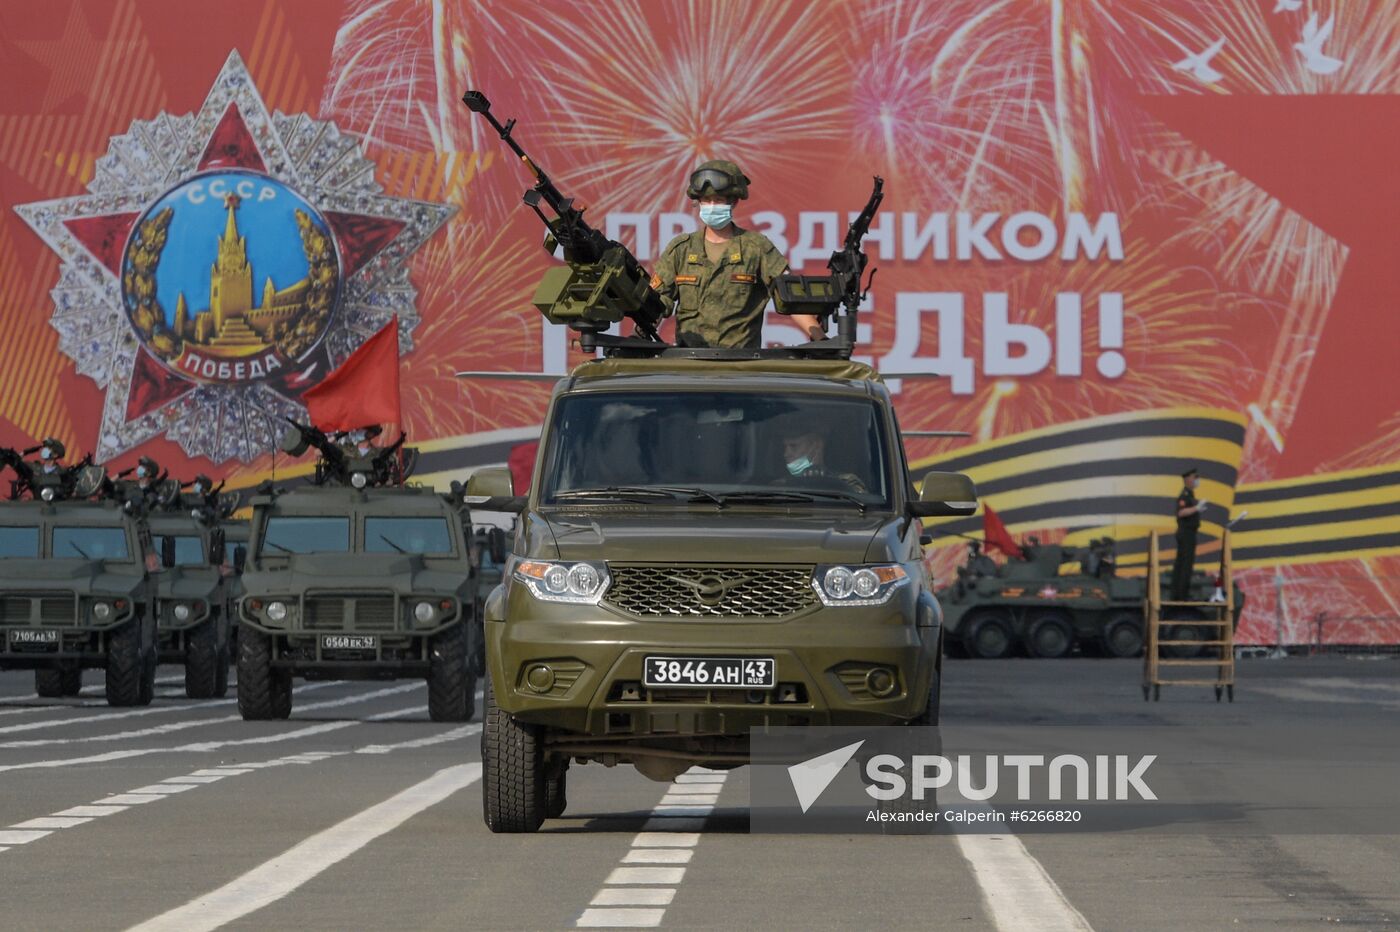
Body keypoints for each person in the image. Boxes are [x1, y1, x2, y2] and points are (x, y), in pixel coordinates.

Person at [650, 160, 823, 349]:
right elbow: (656, 304)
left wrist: (819, 336)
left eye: (718, 200)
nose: (711, 206)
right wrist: (638, 335)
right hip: (691, 365)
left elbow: (789, 297)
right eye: (706, 201)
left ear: (733, 202)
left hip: (742, 366)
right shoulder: (681, 249)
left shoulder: (756, 248)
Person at [777, 419, 866, 493]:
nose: (786, 454)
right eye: (784, 447)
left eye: (794, 446)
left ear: (816, 445)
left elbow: (863, 507)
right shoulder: (778, 487)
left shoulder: (848, 482)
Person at [1171, 467, 1208, 601]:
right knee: (1184, 565)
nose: (1197, 480)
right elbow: (1181, 512)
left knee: (1186, 564)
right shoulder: (1184, 495)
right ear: (1187, 479)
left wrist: (1197, 509)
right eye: (1195, 477)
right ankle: (1181, 595)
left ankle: (1180, 593)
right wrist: (1196, 508)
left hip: (1190, 533)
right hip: (1185, 533)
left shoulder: (1191, 495)